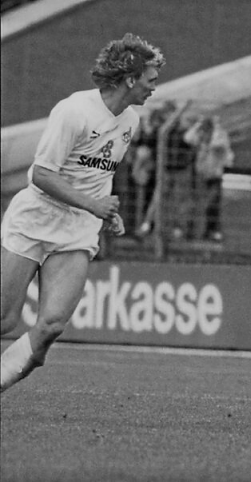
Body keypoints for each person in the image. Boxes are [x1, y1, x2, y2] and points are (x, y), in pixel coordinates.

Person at [0, 33, 165, 393]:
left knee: (52, 326)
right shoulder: (74, 110)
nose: (155, 87)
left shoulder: (130, 121)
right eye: (151, 79)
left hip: (77, 228)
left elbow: (99, 174)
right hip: (36, 218)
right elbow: (42, 175)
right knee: (5, 318)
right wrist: (94, 205)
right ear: (130, 79)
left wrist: (105, 211)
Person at [184, 115, 235, 242]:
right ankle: (193, 231)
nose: (203, 133)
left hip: (217, 177)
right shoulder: (201, 139)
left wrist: (216, 127)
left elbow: (217, 145)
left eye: (206, 130)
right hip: (202, 177)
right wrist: (197, 125)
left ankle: (212, 231)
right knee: (197, 205)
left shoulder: (220, 137)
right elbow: (187, 138)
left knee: (212, 204)